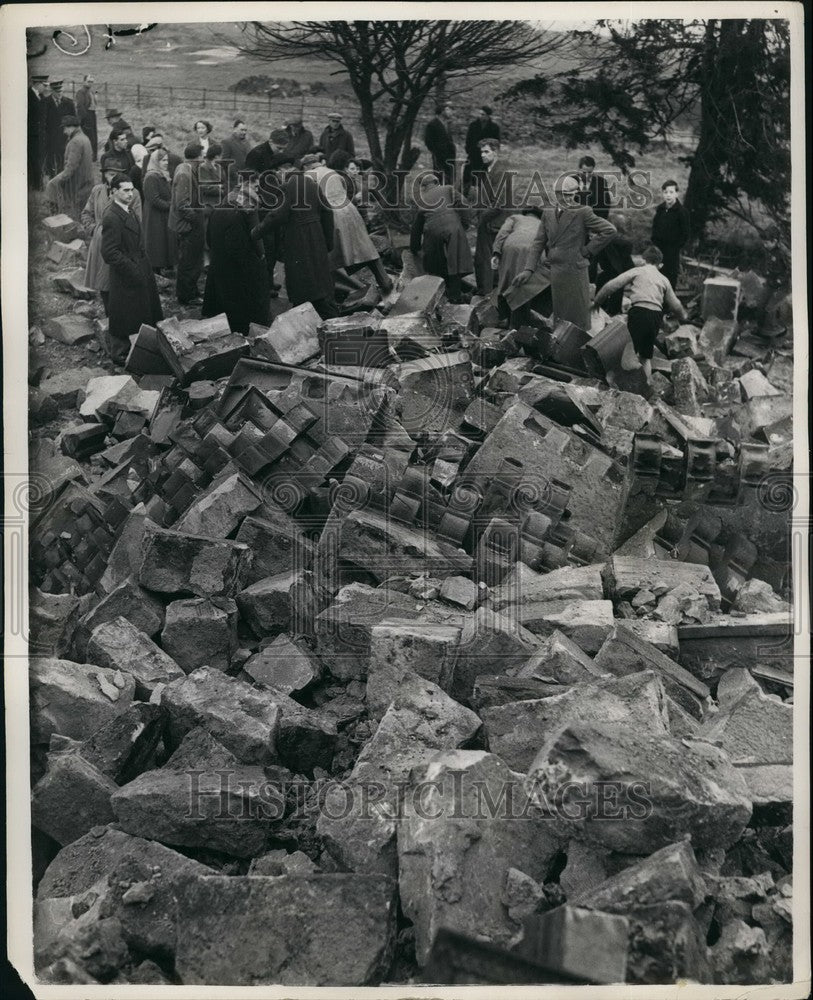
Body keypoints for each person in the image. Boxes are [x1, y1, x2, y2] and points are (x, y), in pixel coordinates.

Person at [514, 175, 616, 331]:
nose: (569, 198)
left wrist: (587, 250)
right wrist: (528, 269)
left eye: (572, 194)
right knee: (560, 317)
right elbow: (538, 243)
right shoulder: (548, 213)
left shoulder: (583, 212)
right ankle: (560, 348)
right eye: (564, 194)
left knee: (577, 318)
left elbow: (609, 230)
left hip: (575, 270)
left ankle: (576, 349)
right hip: (556, 271)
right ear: (556, 194)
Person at [251, 162, 337, 319]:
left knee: (301, 280)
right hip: (316, 235)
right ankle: (327, 315)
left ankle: (306, 317)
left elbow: (277, 216)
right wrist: (328, 241)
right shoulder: (313, 184)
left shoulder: (288, 187)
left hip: (298, 237)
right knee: (318, 276)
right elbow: (327, 211)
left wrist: (256, 232)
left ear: (285, 172)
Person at [592, 245, 687, 379]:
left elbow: (611, 285)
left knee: (629, 351)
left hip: (639, 312)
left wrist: (597, 302)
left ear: (643, 260)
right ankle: (645, 387)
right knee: (645, 357)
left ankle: (624, 382)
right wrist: (683, 315)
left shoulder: (638, 271)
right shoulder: (664, 279)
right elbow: (676, 304)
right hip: (655, 316)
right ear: (660, 265)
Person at [306, 154, 392, 295]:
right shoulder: (331, 172)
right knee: (365, 247)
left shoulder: (308, 176)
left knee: (330, 254)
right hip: (349, 210)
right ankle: (385, 281)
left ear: (306, 166)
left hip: (332, 213)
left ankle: (330, 293)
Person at [100, 174, 162, 362]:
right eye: (125, 190)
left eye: (132, 189)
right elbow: (109, 252)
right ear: (113, 192)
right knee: (123, 313)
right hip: (125, 274)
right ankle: (119, 353)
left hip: (139, 266)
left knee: (141, 310)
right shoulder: (112, 216)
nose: (130, 194)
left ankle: (142, 348)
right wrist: (133, 270)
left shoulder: (129, 210)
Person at [203, 170, 270, 334]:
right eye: (255, 185)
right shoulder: (248, 205)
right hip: (241, 264)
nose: (258, 189)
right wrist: (261, 256)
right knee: (246, 303)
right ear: (246, 185)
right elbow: (256, 236)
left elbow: (209, 236)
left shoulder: (225, 201)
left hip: (220, 262)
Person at [81, 154, 143, 315]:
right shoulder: (97, 191)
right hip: (101, 242)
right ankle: (110, 315)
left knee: (121, 279)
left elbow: (137, 220)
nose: (112, 177)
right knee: (104, 280)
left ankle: (122, 316)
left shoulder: (132, 193)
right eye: (110, 174)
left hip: (123, 244)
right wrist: (94, 229)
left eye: (116, 174)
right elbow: (86, 213)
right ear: (104, 175)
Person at [410, 174, 473, 304]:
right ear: (437, 183)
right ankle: (455, 296)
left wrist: (414, 247)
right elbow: (464, 203)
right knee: (456, 261)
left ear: (424, 187)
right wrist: (465, 223)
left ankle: (438, 295)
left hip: (432, 231)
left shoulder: (421, 201)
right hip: (453, 226)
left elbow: (416, 228)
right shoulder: (448, 189)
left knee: (435, 262)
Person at [247, 128, 292, 289]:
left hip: (273, 204)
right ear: (270, 141)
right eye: (278, 148)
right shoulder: (256, 154)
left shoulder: (273, 155)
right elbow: (249, 180)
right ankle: (263, 284)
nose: (280, 152)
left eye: (283, 149)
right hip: (261, 207)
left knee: (273, 248)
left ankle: (269, 280)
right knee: (266, 247)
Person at [491, 206, 549, 326]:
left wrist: (496, 252)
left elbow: (502, 233)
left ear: (526, 213)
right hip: (535, 249)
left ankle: (504, 318)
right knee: (526, 285)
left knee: (505, 281)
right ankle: (520, 322)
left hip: (511, 246)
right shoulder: (543, 223)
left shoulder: (515, 217)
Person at [473, 139, 512, 296]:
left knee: (486, 259)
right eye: (481, 152)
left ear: (496, 152)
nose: (482, 155)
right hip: (489, 221)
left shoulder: (500, 171)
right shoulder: (490, 170)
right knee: (485, 259)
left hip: (494, 223)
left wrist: (481, 218)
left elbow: (499, 203)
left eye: (486, 151)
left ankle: (487, 294)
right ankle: (487, 291)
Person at [169, 142, 206, 305]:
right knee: (189, 261)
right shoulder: (185, 173)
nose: (204, 158)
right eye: (202, 155)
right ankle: (186, 296)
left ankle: (191, 291)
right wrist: (197, 219)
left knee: (193, 260)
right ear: (197, 157)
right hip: (188, 225)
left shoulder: (186, 168)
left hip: (190, 222)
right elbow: (182, 204)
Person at [43, 115, 94, 220]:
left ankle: (54, 217)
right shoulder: (84, 138)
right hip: (86, 178)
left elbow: (71, 166)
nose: (64, 131)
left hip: (77, 180)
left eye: (65, 128)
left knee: (51, 185)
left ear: (72, 127)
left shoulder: (75, 141)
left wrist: (61, 179)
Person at [651, 179, 691, 291]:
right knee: (656, 278)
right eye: (665, 192)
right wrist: (655, 243)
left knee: (669, 279)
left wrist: (675, 247)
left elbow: (685, 234)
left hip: (672, 253)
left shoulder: (682, 212)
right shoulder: (660, 210)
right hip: (658, 251)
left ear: (676, 193)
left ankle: (667, 307)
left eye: (671, 192)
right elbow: (655, 228)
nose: (668, 195)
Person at [142, 147, 175, 275]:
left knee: (164, 241)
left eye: (167, 160)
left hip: (163, 214)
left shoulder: (163, 175)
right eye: (162, 160)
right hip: (155, 216)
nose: (166, 163)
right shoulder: (151, 177)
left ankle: (164, 268)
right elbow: (154, 199)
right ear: (156, 161)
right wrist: (171, 206)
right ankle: (156, 271)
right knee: (156, 241)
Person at [594, 213, 635, 316]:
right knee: (615, 289)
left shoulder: (608, 240)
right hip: (618, 271)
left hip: (609, 271)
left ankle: (605, 310)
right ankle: (612, 311)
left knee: (604, 285)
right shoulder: (623, 242)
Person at [463, 106, 501, 194]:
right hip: (473, 155)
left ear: (488, 116)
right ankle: (465, 196)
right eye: (480, 114)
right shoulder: (473, 125)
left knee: (483, 177)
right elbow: (468, 140)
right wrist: (469, 150)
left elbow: (496, 142)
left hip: (486, 157)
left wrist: (492, 155)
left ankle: (483, 197)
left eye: (483, 114)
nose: (480, 116)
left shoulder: (494, 127)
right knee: (468, 175)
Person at [44, 81, 75, 177]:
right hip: (50, 137)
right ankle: (52, 178)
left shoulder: (69, 103)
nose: (60, 94)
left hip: (64, 137)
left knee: (63, 159)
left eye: (61, 91)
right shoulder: (45, 102)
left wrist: (71, 134)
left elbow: (74, 120)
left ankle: (62, 178)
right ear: (52, 91)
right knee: (51, 159)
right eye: (57, 92)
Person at [423, 103, 456, 184]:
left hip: (449, 157)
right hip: (439, 157)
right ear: (442, 111)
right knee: (440, 178)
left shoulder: (447, 124)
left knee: (449, 179)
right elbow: (428, 142)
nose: (451, 112)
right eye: (448, 109)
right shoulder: (432, 124)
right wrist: (437, 152)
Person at [28, 74, 48, 189]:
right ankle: (35, 184)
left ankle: (37, 184)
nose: (45, 88)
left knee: (39, 159)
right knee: (32, 159)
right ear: (37, 84)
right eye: (43, 85)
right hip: (31, 135)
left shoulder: (42, 97)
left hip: (40, 135)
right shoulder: (28, 96)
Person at [220, 119, 251, 190]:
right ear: (235, 129)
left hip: (246, 179)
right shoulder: (226, 142)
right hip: (233, 181)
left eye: (245, 130)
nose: (244, 132)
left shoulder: (247, 143)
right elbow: (224, 162)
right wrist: (235, 174)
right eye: (242, 130)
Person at [75, 74, 98, 160]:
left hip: (92, 115)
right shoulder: (81, 92)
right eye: (88, 81)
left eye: (92, 82)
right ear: (84, 82)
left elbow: (94, 104)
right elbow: (80, 106)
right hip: (86, 117)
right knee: (88, 137)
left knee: (93, 136)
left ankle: (93, 157)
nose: (90, 83)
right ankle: (87, 157)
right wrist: (85, 119)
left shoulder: (91, 92)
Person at [199, 142, 225, 211]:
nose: (222, 157)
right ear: (216, 156)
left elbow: (225, 182)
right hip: (208, 205)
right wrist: (220, 187)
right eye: (221, 155)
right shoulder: (203, 167)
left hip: (219, 204)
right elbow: (206, 188)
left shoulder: (219, 167)